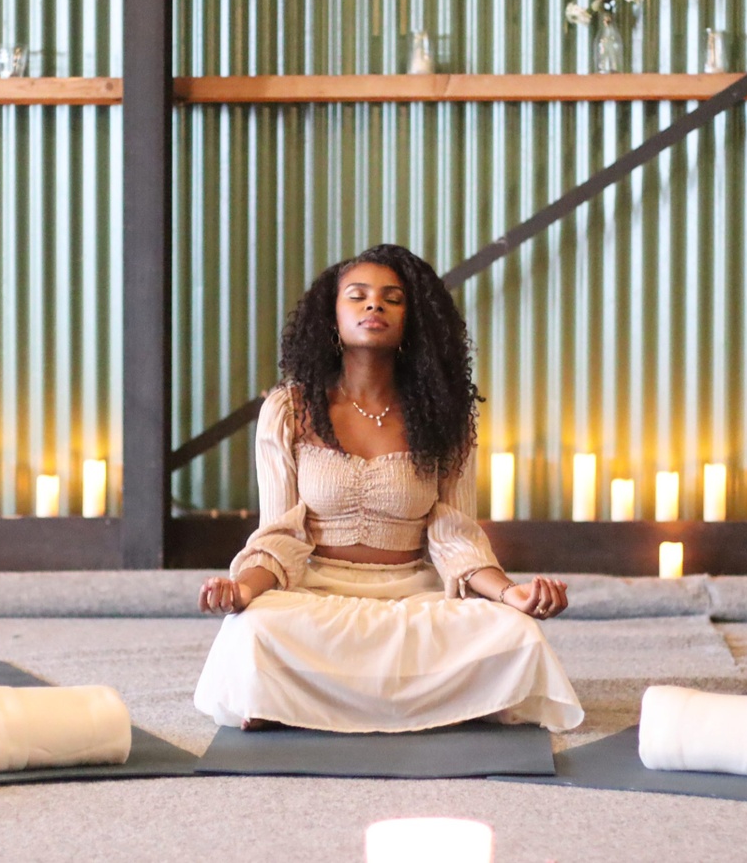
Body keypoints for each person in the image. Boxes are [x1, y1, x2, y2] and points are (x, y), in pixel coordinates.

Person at [193, 244, 583, 733]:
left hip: (413, 599)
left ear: (412, 322)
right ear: (332, 317)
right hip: (314, 595)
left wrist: (510, 595)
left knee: (515, 635)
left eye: (392, 299)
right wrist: (241, 591)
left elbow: (457, 539)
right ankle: (431, 700)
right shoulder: (289, 410)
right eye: (357, 296)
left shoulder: (444, 416)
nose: (374, 304)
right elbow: (279, 537)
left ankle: (304, 701)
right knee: (252, 630)